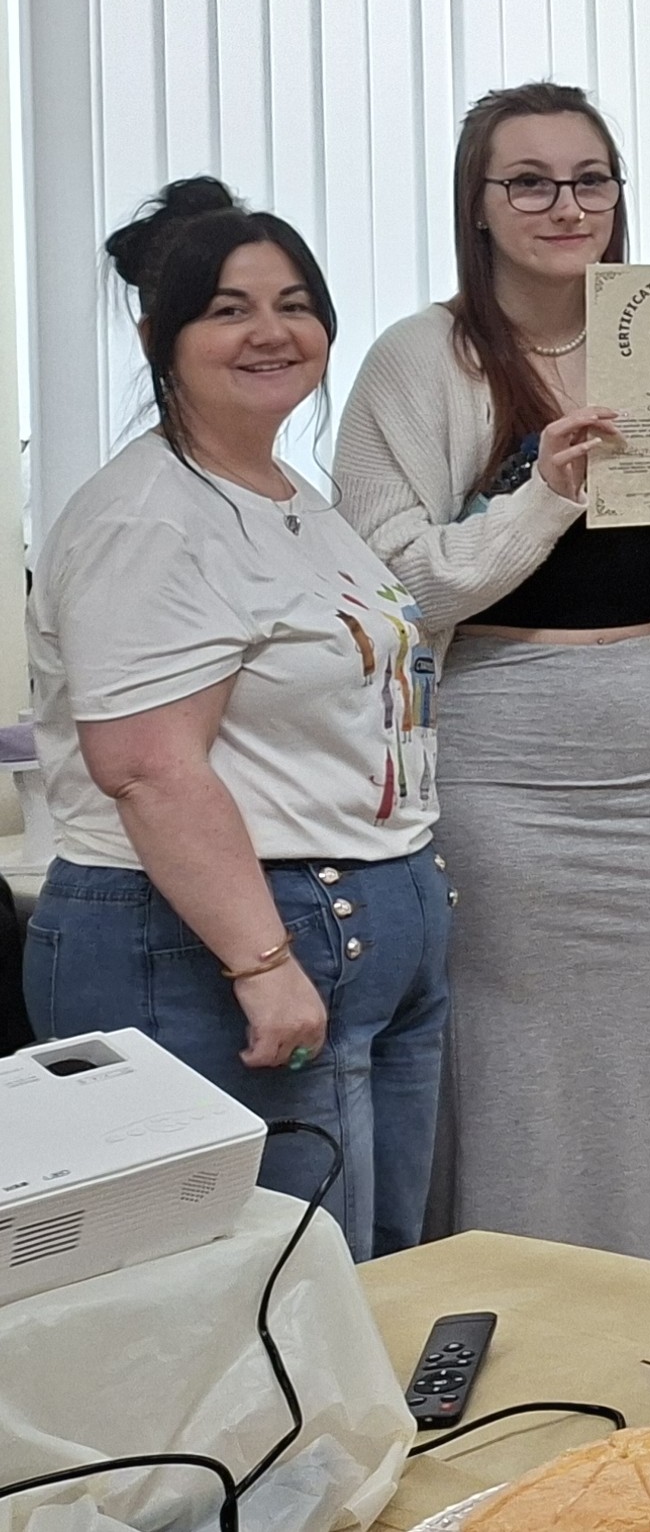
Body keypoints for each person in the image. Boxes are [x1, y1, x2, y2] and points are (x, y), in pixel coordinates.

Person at [336, 82, 650, 1262]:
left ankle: (631, 1327)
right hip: (500, 763)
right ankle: (509, 1336)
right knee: (511, 1072)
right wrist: (543, 492)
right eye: (530, 181)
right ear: (478, 206)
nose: (566, 204)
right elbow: (405, 590)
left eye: (590, 178)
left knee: (642, 1073)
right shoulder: (417, 359)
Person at [23, 180, 453, 1263]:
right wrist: (263, 963)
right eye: (226, 308)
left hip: (358, 919)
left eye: (295, 301)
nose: (271, 330)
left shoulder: (290, 496)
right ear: (156, 335)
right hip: (219, 944)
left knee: (369, 1280)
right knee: (273, 1302)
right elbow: (150, 770)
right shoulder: (150, 517)